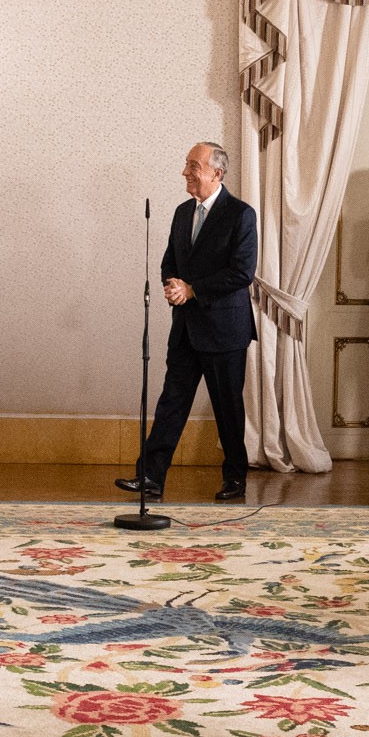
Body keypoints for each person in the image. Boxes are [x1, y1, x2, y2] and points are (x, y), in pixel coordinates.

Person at [117, 140, 256, 503]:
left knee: (228, 408)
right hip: (187, 328)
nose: (185, 172)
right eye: (186, 165)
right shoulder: (182, 212)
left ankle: (235, 478)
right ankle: (150, 476)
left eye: (193, 166)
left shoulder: (241, 214)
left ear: (217, 173)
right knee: (171, 403)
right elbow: (169, 261)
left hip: (225, 330)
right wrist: (173, 285)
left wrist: (193, 290)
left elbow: (241, 273)